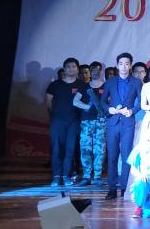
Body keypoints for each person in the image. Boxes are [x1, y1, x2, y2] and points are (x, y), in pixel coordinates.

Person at [99, 52, 142, 200]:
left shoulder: (136, 82)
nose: (124, 66)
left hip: (128, 123)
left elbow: (142, 102)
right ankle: (112, 188)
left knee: (126, 156)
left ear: (130, 65)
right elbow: (102, 101)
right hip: (113, 122)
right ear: (117, 65)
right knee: (112, 156)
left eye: (127, 64)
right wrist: (109, 109)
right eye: (121, 64)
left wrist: (132, 111)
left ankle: (124, 188)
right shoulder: (110, 82)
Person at [45, 57, 82, 187]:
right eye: (68, 67)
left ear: (77, 69)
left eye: (73, 66)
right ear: (64, 69)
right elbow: (48, 101)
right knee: (57, 148)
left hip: (74, 122)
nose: (71, 69)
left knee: (70, 149)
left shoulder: (82, 85)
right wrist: (54, 116)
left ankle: (66, 175)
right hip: (58, 121)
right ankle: (56, 176)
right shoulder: (55, 85)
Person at [72, 61, 107, 186]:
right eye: (93, 70)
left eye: (98, 70)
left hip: (101, 121)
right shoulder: (85, 86)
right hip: (86, 121)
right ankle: (86, 176)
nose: (96, 72)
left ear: (101, 71)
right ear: (90, 72)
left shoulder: (106, 86)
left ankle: (97, 176)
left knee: (99, 149)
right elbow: (75, 101)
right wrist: (87, 107)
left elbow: (110, 101)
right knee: (85, 148)